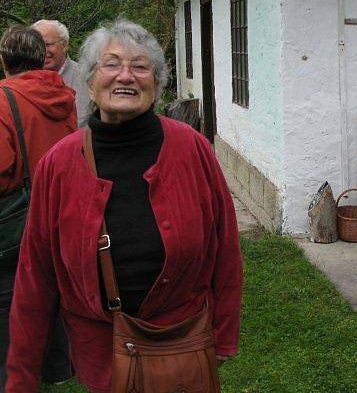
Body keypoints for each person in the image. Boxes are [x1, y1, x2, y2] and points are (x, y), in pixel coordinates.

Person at [6, 19, 243, 392]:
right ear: (88, 81)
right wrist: (21, 376)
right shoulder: (58, 164)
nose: (126, 76)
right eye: (111, 64)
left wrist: (224, 334)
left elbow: (226, 247)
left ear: (157, 82)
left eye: (140, 65)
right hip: (100, 358)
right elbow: (35, 275)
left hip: (180, 347)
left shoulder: (193, 149)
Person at [0, 26, 77, 387]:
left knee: (10, 299)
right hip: (62, 208)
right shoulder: (61, 93)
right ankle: (59, 370)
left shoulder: (3, 99)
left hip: (19, 222)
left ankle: (13, 376)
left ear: (4, 60)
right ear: (40, 57)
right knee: (55, 288)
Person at [32, 20, 91, 126]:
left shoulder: (85, 79)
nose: (42, 51)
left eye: (47, 44)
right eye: (36, 45)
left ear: (64, 45)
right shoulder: (24, 80)